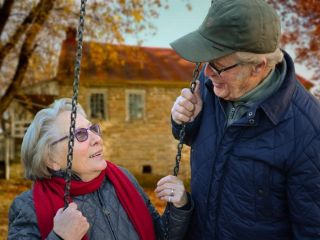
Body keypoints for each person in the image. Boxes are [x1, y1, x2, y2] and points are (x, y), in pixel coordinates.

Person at [170, 0, 320, 239]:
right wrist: (184, 119)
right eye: (207, 62)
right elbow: (192, 137)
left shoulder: (309, 131)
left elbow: (312, 230)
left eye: (218, 66)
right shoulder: (212, 84)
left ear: (258, 67)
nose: (208, 73)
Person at [8, 98, 193, 240]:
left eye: (92, 129)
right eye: (80, 134)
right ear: (51, 159)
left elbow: (160, 235)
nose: (96, 138)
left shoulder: (123, 179)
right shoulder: (28, 207)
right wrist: (60, 237)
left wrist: (179, 206)